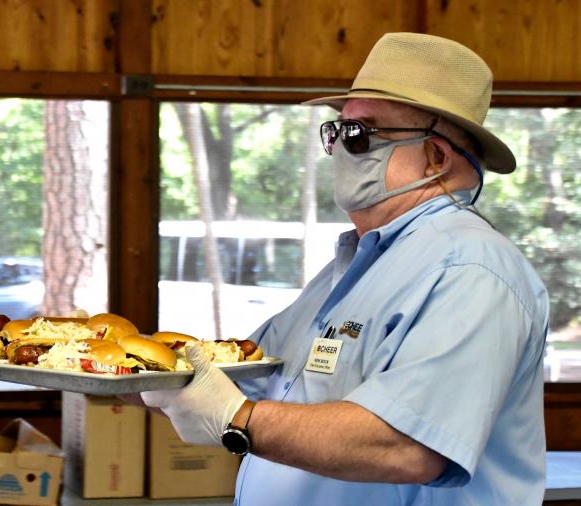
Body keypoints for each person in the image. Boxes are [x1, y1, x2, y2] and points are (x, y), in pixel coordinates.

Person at [141, 32, 549, 505]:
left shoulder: (472, 270)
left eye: (360, 134)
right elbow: (242, 377)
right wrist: (123, 370)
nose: (338, 149)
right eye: (336, 131)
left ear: (435, 158)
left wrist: (238, 419)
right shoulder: (356, 264)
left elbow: (409, 447)